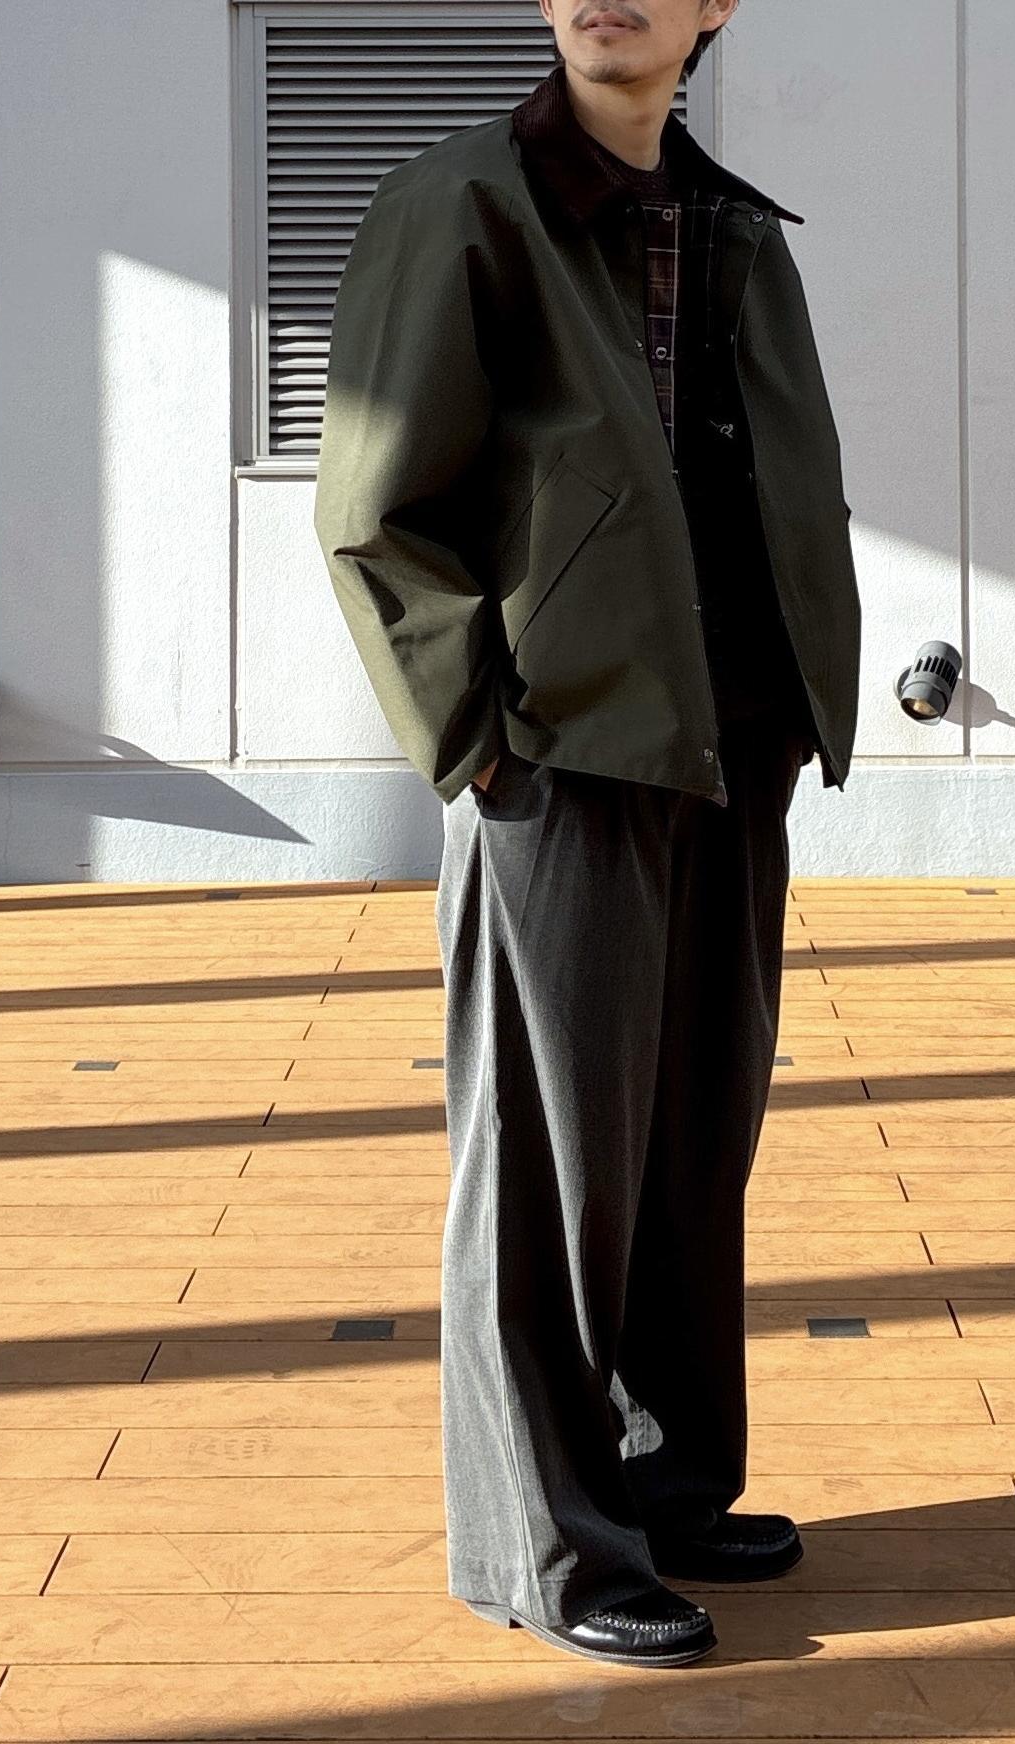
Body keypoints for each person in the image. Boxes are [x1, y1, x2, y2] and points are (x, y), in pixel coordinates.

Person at [313, 0, 861, 1671]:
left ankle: (665, 1488)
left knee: (690, 1145)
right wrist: (474, 738)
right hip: (561, 754)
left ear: (714, 7)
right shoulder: (463, 203)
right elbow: (376, 507)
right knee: (547, 1166)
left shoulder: (733, 228)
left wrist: (798, 695)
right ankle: (545, 1545)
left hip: (727, 747)